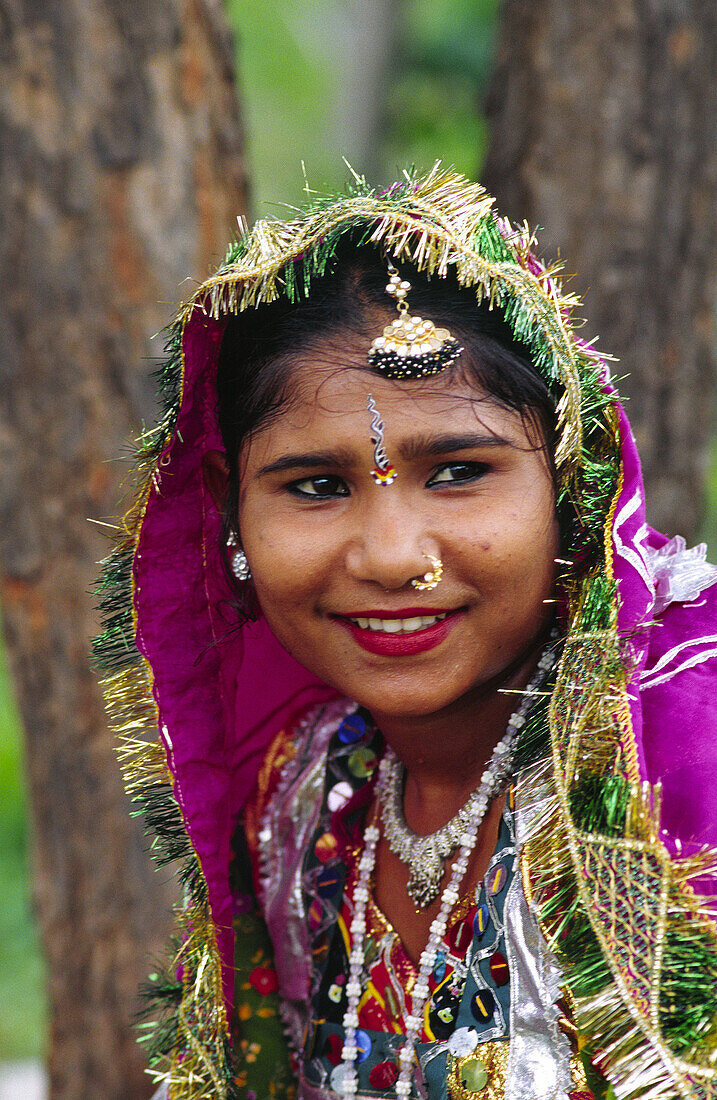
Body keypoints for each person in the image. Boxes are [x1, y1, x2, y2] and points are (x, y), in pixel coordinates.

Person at [95, 167, 717, 1100]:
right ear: (230, 514)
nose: (391, 557)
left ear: (570, 481)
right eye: (314, 487)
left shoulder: (677, 756)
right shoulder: (306, 796)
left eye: (460, 471)